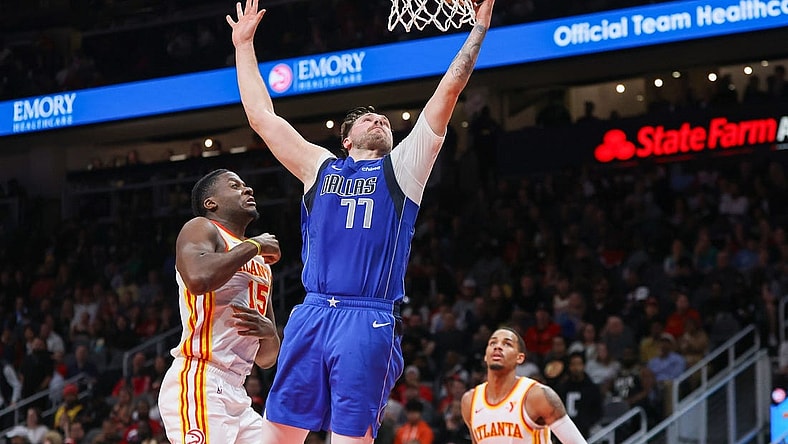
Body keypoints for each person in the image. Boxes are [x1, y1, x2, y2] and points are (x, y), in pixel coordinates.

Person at [227, 0, 497, 441]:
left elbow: (448, 91)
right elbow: (263, 117)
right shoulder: (320, 166)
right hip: (312, 311)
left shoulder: (404, 169)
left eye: (384, 119)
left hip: (367, 317)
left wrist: (478, 32)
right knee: (277, 435)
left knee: (351, 438)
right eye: (367, 119)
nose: (379, 119)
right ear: (346, 140)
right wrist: (243, 45)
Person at [157, 169, 282, 444]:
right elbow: (199, 279)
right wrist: (254, 245)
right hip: (201, 379)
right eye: (235, 186)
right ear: (211, 203)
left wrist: (269, 332)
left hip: (237, 390)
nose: (247, 190)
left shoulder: (262, 265)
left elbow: (266, 358)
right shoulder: (201, 227)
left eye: (246, 185)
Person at [460, 327, 588, 443]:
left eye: (507, 344)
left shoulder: (537, 395)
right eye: (493, 343)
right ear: (486, 356)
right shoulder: (470, 401)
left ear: (519, 358)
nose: (497, 347)